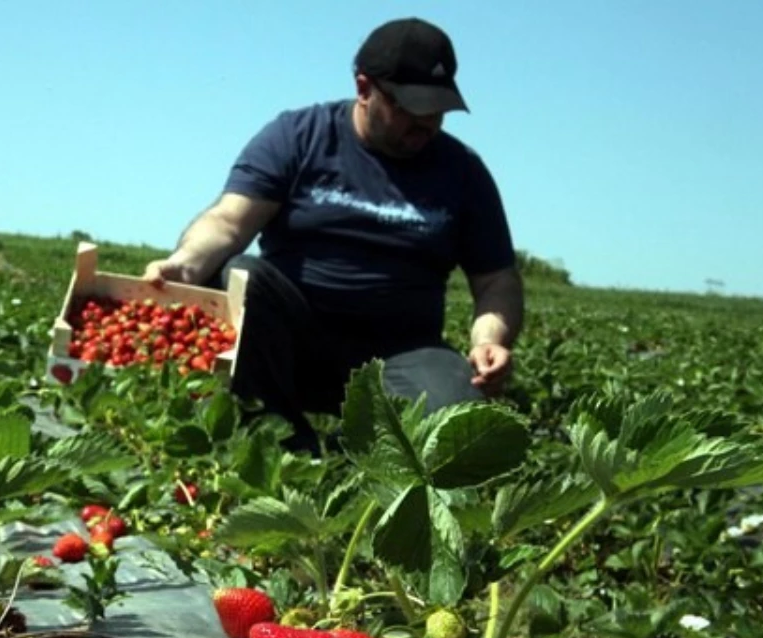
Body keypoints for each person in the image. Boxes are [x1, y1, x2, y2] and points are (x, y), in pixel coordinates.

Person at [143, 17, 524, 456]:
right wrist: (185, 263)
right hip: (295, 341)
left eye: (436, 110)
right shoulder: (299, 136)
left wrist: (489, 340)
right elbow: (230, 220)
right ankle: (281, 442)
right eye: (409, 107)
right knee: (240, 276)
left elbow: (497, 280)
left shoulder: (463, 172)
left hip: (402, 354)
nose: (425, 123)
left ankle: (358, 451)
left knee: (454, 422)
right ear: (364, 88)